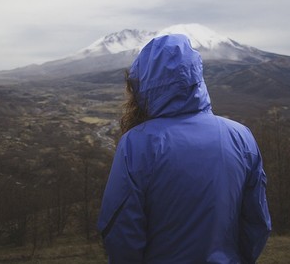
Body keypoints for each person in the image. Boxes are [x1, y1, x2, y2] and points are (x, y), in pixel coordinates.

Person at [97, 34, 271, 263]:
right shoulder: (240, 137)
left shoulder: (136, 144)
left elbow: (121, 232)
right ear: (196, 77)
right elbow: (257, 222)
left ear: (142, 85)